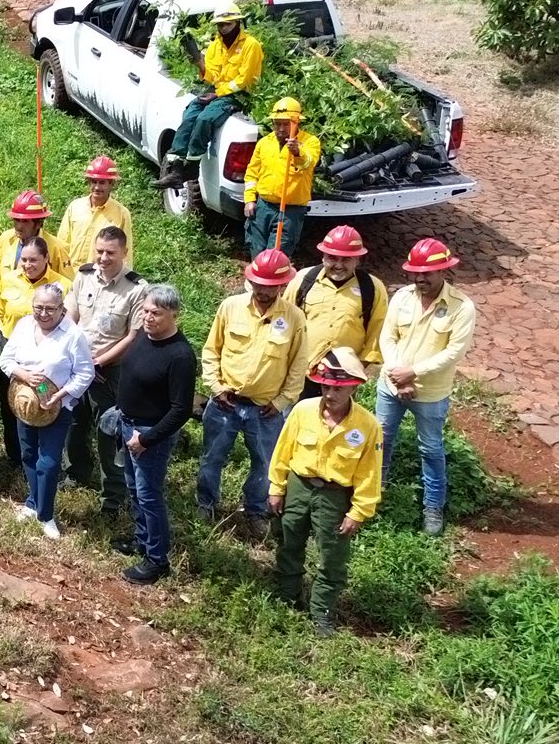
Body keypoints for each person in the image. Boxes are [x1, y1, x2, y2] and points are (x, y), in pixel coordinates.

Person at [272, 348, 385, 636]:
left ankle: (321, 612)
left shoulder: (368, 425)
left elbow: (369, 473)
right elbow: (283, 451)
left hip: (335, 495)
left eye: (337, 389)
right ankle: (287, 597)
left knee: (332, 556)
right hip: (299, 486)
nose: (330, 394)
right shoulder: (303, 410)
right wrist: (276, 487)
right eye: (325, 387)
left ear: (353, 388)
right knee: (288, 541)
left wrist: (358, 512)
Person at [198, 248, 306, 539]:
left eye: (271, 286)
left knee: (265, 463)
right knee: (212, 457)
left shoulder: (294, 318)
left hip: (265, 409)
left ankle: (256, 510)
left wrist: (281, 401)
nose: (263, 291)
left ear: (282, 285)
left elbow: (298, 366)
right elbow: (211, 351)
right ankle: (206, 503)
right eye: (259, 284)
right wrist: (216, 387)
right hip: (225, 403)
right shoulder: (230, 307)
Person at [377, 237, 477, 535]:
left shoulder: (461, 307)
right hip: (390, 386)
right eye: (415, 273)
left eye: (427, 273)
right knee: (381, 441)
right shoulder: (402, 297)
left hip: (430, 393)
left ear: (444, 270)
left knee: (431, 448)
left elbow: (454, 352)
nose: (420, 279)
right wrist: (397, 374)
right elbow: (387, 337)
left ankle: (433, 507)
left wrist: (413, 373)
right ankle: (375, 492)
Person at [112, 284, 194, 585]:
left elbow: (181, 409)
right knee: (135, 489)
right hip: (128, 424)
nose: (148, 318)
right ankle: (142, 540)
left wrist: (146, 440)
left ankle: (157, 560)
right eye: (145, 311)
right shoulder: (144, 337)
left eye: (156, 313)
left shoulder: (180, 355)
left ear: (174, 314)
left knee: (149, 496)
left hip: (150, 435)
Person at [0, 283, 94, 540]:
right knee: (28, 453)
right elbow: (6, 359)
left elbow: (85, 372)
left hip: (57, 406)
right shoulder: (23, 325)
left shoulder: (72, 335)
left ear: (62, 309)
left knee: (49, 462)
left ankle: (46, 514)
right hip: (24, 402)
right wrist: (24, 375)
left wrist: (60, 395)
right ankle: (33, 502)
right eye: (38, 307)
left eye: (50, 309)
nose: (43, 314)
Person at [64, 226, 145, 518]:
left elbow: (132, 337)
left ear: (124, 252)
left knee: (108, 432)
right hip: (79, 366)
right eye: (99, 251)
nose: (103, 258)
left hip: (109, 372)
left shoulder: (137, 289)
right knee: (74, 422)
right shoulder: (84, 276)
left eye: (110, 252)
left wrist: (97, 364)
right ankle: (77, 472)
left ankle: (113, 496)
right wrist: (75, 358)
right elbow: (71, 317)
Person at [158, 9, 264, 187]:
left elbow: (244, 80)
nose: (224, 28)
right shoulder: (216, 45)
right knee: (190, 114)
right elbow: (212, 75)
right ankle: (176, 168)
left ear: (238, 23)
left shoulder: (251, 45)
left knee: (205, 119)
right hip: (216, 90)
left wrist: (217, 94)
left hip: (239, 95)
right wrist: (200, 63)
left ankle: (192, 167)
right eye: (220, 25)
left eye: (228, 24)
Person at [0, 232, 69, 471]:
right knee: (12, 404)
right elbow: (1, 312)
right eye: (24, 259)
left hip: (46, 368)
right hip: (15, 361)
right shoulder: (8, 280)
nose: (27, 265)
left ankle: (48, 460)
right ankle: (17, 458)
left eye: (33, 260)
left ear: (47, 258)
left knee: (45, 405)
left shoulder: (63, 286)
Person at [292, 224, 387, 400]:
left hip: (343, 380)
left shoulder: (372, 288)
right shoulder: (303, 280)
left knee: (337, 418)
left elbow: (376, 334)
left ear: (358, 260)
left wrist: (354, 370)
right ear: (323, 256)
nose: (338, 265)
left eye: (346, 259)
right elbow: (285, 321)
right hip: (301, 374)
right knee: (297, 415)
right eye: (332, 258)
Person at [244, 97, 321, 257]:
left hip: (290, 211)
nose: (281, 128)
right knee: (256, 251)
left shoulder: (310, 142)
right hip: (263, 207)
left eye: (286, 124)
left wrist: (297, 152)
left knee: (276, 256)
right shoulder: (264, 143)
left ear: (297, 122)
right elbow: (252, 173)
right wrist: (250, 200)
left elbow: (309, 162)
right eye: (277, 123)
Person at [55, 156, 133, 271]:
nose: (97, 187)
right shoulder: (75, 207)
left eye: (102, 183)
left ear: (111, 184)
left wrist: (124, 277)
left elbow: (125, 253)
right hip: (71, 274)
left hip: (101, 275)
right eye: (93, 182)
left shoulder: (121, 214)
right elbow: (62, 244)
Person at [0, 190, 53, 295]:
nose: (19, 226)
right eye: (16, 220)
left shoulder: (55, 248)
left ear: (38, 223)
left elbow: (66, 287)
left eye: (25, 221)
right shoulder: (5, 239)